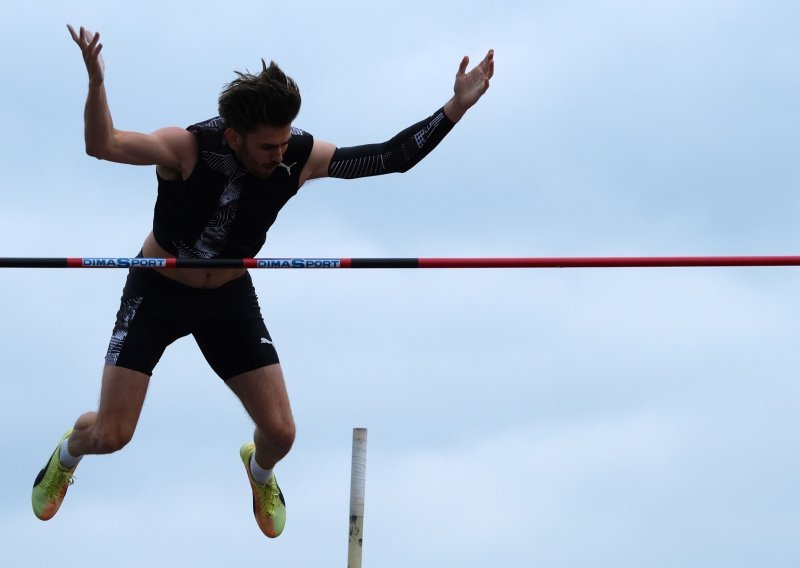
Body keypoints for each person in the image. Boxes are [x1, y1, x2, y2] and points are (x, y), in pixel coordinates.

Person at [32, 24, 494, 538]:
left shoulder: (298, 154)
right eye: (268, 146)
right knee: (112, 435)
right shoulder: (187, 148)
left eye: (283, 142)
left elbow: (391, 158)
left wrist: (456, 108)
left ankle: (259, 471)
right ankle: (70, 452)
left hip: (228, 298)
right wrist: (97, 81)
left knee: (281, 433)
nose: (280, 154)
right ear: (233, 137)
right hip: (159, 291)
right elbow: (104, 144)